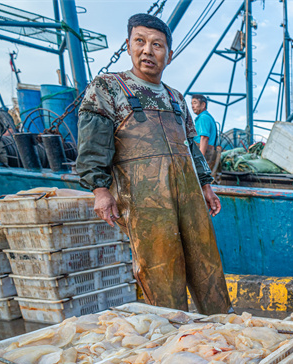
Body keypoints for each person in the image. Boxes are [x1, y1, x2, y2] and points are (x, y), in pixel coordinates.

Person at [76, 13, 231, 314]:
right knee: (160, 271)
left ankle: (223, 333)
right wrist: (99, 190)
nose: (148, 50)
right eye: (140, 42)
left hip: (190, 198)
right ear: (128, 45)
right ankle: (173, 341)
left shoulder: (176, 98)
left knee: (207, 266)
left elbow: (192, 148)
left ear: (169, 55)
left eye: (157, 45)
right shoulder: (108, 87)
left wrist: (207, 186)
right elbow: (92, 143)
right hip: (146, 201)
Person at [190, 94, 220, 173]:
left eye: (195, 103)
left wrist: (200, 159)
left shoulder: (203, 117)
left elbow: (204, 138)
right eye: (192, 104)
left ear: (203, 104)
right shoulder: (207, 117)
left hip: (203, 152)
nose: (192, 106)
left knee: (201, 178)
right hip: (207, 151)